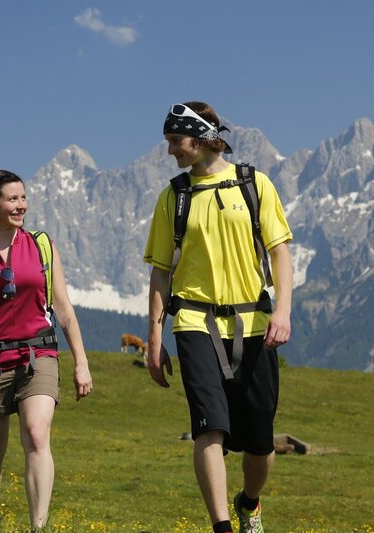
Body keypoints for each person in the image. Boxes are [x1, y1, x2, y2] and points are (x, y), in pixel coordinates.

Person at [144, 102, 293, 533]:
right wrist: (154, 338)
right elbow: (161, 272)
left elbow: (280, 252)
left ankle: (249, 502)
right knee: (208, 428)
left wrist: (282, 310)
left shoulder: (254, 184)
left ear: (202, 137)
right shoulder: (173, 197)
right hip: (194, 323)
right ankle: (222, 527)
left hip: (254, 324)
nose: (170, 150)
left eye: (176, 140)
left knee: (261, 442)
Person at [0, 169, 93, 531]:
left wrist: (81, 362)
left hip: (38, 354)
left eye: (23, 197)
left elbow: (63, 308)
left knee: (37, 434)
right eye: (12, 199)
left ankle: (38, 527)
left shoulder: (42, 245)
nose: (21, 205)